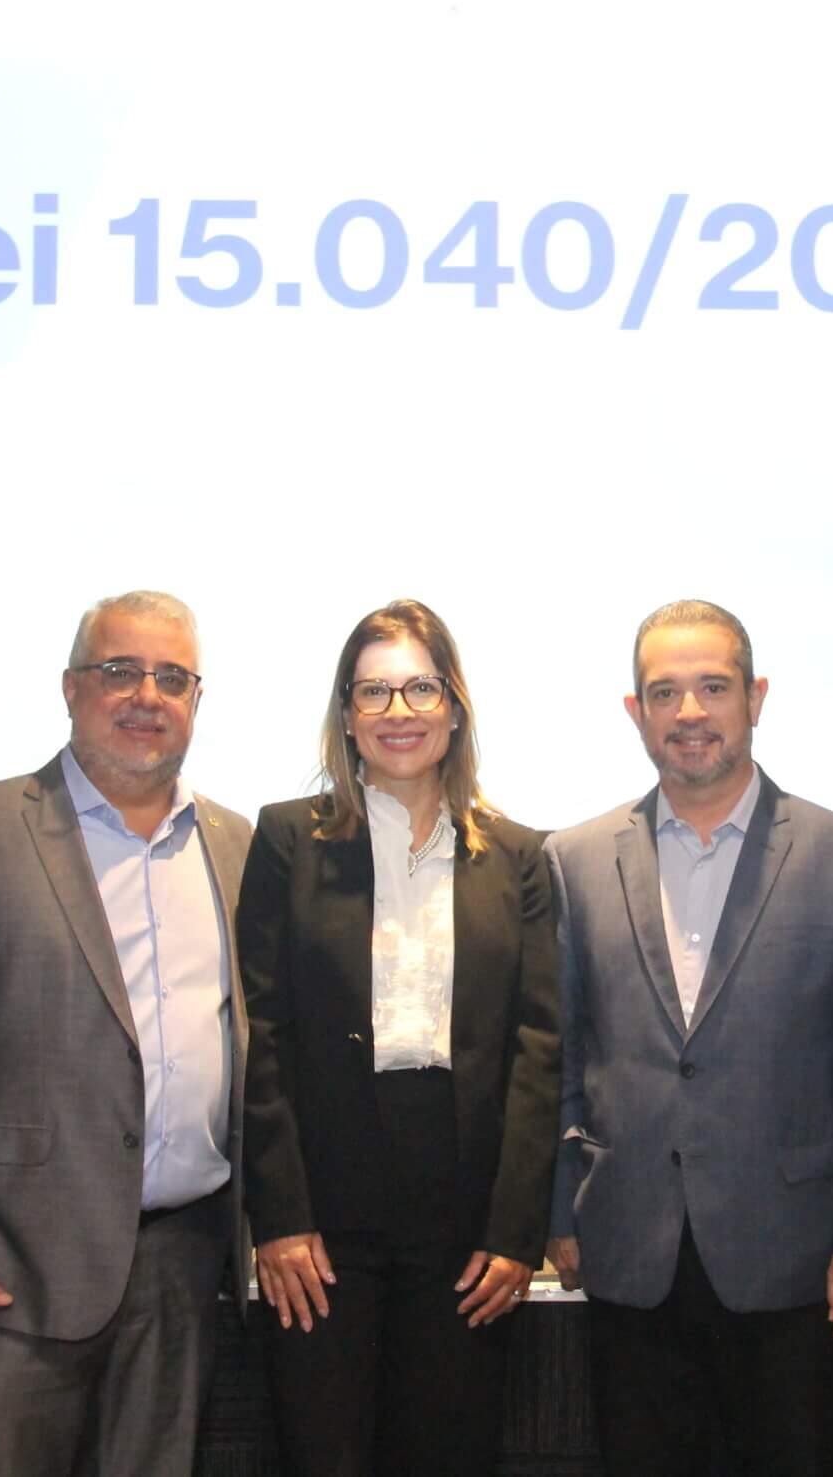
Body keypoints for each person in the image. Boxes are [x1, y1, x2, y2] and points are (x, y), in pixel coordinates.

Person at [0, 590, 253, 1477]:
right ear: (72, 687)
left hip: (182, 1271)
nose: (147, 695)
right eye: (120, 671)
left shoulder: (232, 844)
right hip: (10, 1277)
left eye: (172, 678)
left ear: (197, 701)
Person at [546, 599, 833, 1477]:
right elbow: (561, 1056)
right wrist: (560, 1209)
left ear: (756, 697)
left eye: (713, 687)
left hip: (791, 1260)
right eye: (665, 692)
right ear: (635, 712)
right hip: (627, 1253)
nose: (690, 712)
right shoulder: (574, 860)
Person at [238, 599, 561, 1477]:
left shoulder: (520, 857)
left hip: (463, 1228)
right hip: (323, 1224)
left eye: (421, 687)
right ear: (346, 715)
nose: (398, 711)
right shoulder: (288, 839)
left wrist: (515, 1231)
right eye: (373, 691)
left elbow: (538, 1052)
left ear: (454, 706)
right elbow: (263, 1036)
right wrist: (280, 1217)